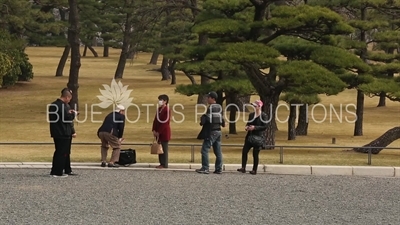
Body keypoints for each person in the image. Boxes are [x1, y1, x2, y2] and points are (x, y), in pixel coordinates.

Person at [48, 88, 78, 177]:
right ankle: (58, 171)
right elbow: (67, 118)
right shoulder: (62, 106)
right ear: (67, 97)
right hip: (63, 132)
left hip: (58, 131)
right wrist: (74, 114)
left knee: (63, 151)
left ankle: (66, 169)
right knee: (62, 152)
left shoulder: (54, 105)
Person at [195, 91, 225, 174]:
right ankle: (219, 168)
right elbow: (222, 119)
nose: (207, 99)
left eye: (208, 97)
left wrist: (203, 119)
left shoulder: (211, 108)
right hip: (218, 131)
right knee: (218, 151)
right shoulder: (219, 107)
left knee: (205, 149)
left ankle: (205, 168)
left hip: (212, 131)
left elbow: (209, 120)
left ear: (213, 98)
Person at [237, 100, 267, 175]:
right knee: (244, 151)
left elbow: (265, 126)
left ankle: (254, 169)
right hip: (249, 136)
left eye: (255, 106)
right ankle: (243, 167)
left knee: (255, 154)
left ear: (259, 107)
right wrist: (247, 127)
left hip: (258, 137)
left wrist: (255, 127)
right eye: (253, 106)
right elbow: (248, 123)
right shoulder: (251, 115)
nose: (254, 107)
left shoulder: (263, 116)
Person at [152, 94, 171, 169]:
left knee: (164, 148)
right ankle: (161, 163)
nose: (159, 101)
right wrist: (154, 130)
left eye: (161, 100)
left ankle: (164, 163)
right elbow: (155, 120)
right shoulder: (159, 109)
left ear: (165, 101)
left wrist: (159, 132)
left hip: (164, 132)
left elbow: (165, 122)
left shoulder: (167, 110)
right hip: (158, 132)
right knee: (159, 148)